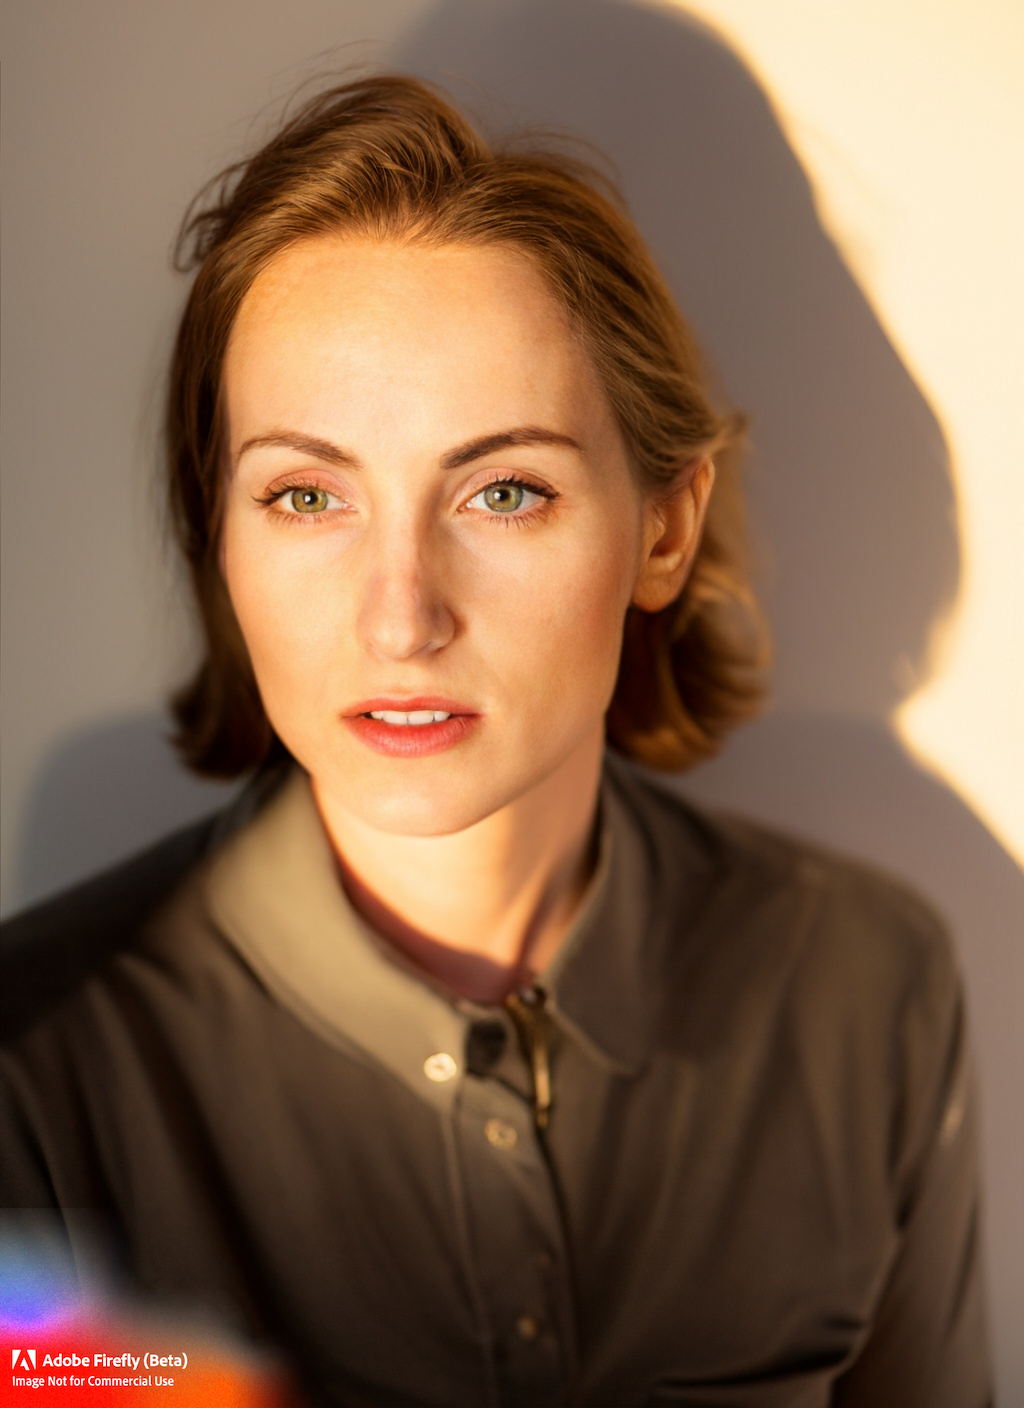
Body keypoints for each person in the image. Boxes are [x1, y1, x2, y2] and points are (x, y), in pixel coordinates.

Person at [1, 75, 990, 1407]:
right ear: (216, 538)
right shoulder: (35, 1070)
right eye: (305, 494)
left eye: (504, 490)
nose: (401, 618)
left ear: (663, 529)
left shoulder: (870, 989)